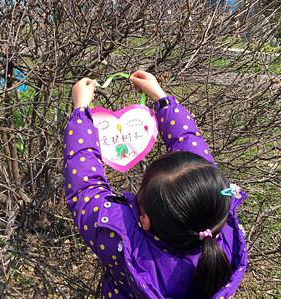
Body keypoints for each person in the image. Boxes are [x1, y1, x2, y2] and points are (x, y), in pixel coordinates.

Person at [63, 70, 247, 299]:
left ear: (145, 221)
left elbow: (84, 190)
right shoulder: (223, 234)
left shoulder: (124, 242)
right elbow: (196, 157)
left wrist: (81, 113)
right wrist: (162, 99)